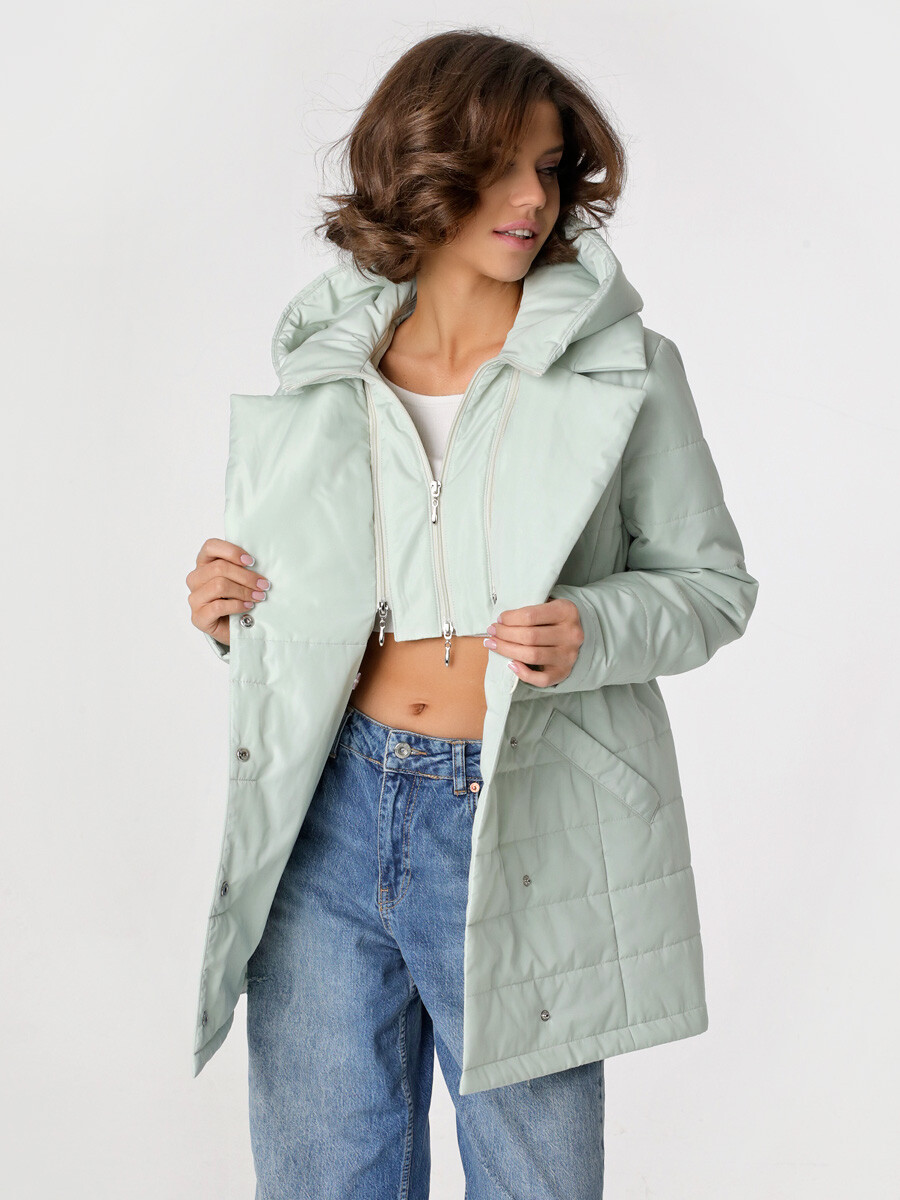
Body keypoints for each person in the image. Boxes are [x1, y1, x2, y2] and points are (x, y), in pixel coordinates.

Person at [185, 29, 759, 1199]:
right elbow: (315, 590)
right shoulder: (328, 363)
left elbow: (712, 589)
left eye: (549, 169)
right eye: (501, 167)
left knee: (533, 1179)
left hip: (514, 813)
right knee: (320, 1176)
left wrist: (592, 627)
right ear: (423, 167)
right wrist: (231, 606)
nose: (532, 199)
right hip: (327, 807)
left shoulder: (625, 370)